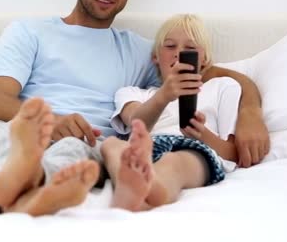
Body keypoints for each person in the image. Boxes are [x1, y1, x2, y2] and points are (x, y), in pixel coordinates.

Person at [0, 0, 269, 216]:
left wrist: (251, 112)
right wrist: (51, 122)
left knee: (74, 151)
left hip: (86, 143)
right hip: (22, 130)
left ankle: (28, 185)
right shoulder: (29, 32)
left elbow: (207, 72)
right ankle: (25, 186)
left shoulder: (140, 51)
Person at [103, 14, 240, 211]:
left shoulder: (223, 87)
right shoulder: (133, 92)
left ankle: (151, 188)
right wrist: (164, 95)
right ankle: (129, 185)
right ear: (155, 57)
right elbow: (136, 123)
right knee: (110, 144)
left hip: (196, 150)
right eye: (170, 46)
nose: (179, 53)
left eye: (190, 49)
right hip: (146, 148)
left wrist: (204, 135)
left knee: (174, 161)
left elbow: (233, 153)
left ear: (204, 59)